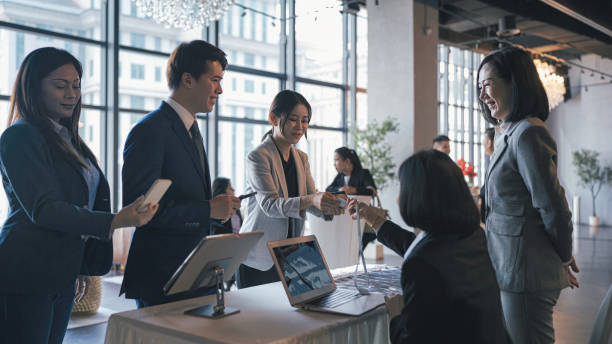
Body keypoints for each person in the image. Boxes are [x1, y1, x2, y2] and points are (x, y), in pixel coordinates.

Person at [0, 47, 158, 344]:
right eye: (60, 86)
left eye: (76, 85)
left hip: (60, 272)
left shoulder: (68, 139)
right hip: (24, 271)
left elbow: (80, 202)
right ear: (33, 88)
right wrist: (115, 220)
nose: (71, 93)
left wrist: (81, 267)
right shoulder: (20, 136)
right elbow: (45, 209)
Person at [121, 40, 241, 308]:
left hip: (195, 275)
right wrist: (207, 209)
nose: (220, 89)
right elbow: (139, 211)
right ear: (188, 79)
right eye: (215, 80)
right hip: (163, 278)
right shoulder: (149, 131)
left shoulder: (191, 130)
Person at [348, 150, 508, 343]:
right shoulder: (473, 235)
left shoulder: (422, 264)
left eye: (401, 188)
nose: (398, 199)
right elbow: (418, 247)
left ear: (419, 195)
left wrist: (397, 314)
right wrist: (374, 219)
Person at [477, 46, 578, 343]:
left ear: (514, 82)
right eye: (479, 86)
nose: (482, 95)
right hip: (510, 267)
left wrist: (562, 255)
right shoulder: (507, 132)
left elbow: (552, 207)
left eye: (489, 84)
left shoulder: (527, 134)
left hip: (525, 273)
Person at [237, 90, 343, 289]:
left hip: (291, 256)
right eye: (294, 119)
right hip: (258, 258)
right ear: (273, 118)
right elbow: (270, 204)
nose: (300, 127)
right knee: (259, 320)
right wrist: (312, 200)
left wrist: (332, 205)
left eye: (305, 120)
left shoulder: (301, 158)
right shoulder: (258, 156)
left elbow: (311, 198)